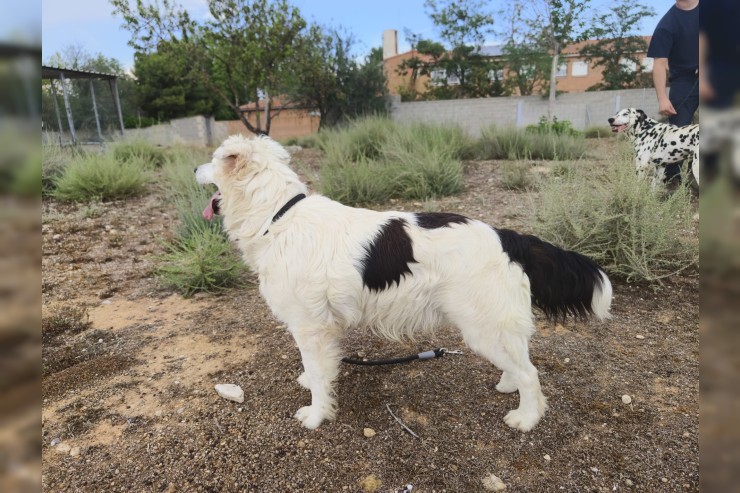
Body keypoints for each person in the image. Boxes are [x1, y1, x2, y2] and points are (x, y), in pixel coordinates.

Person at [647, 0, 699, 183]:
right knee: (677, 130)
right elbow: (659, 64)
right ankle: (672, 181)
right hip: (684, 81)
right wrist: (662, 98)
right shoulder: (666, 25)